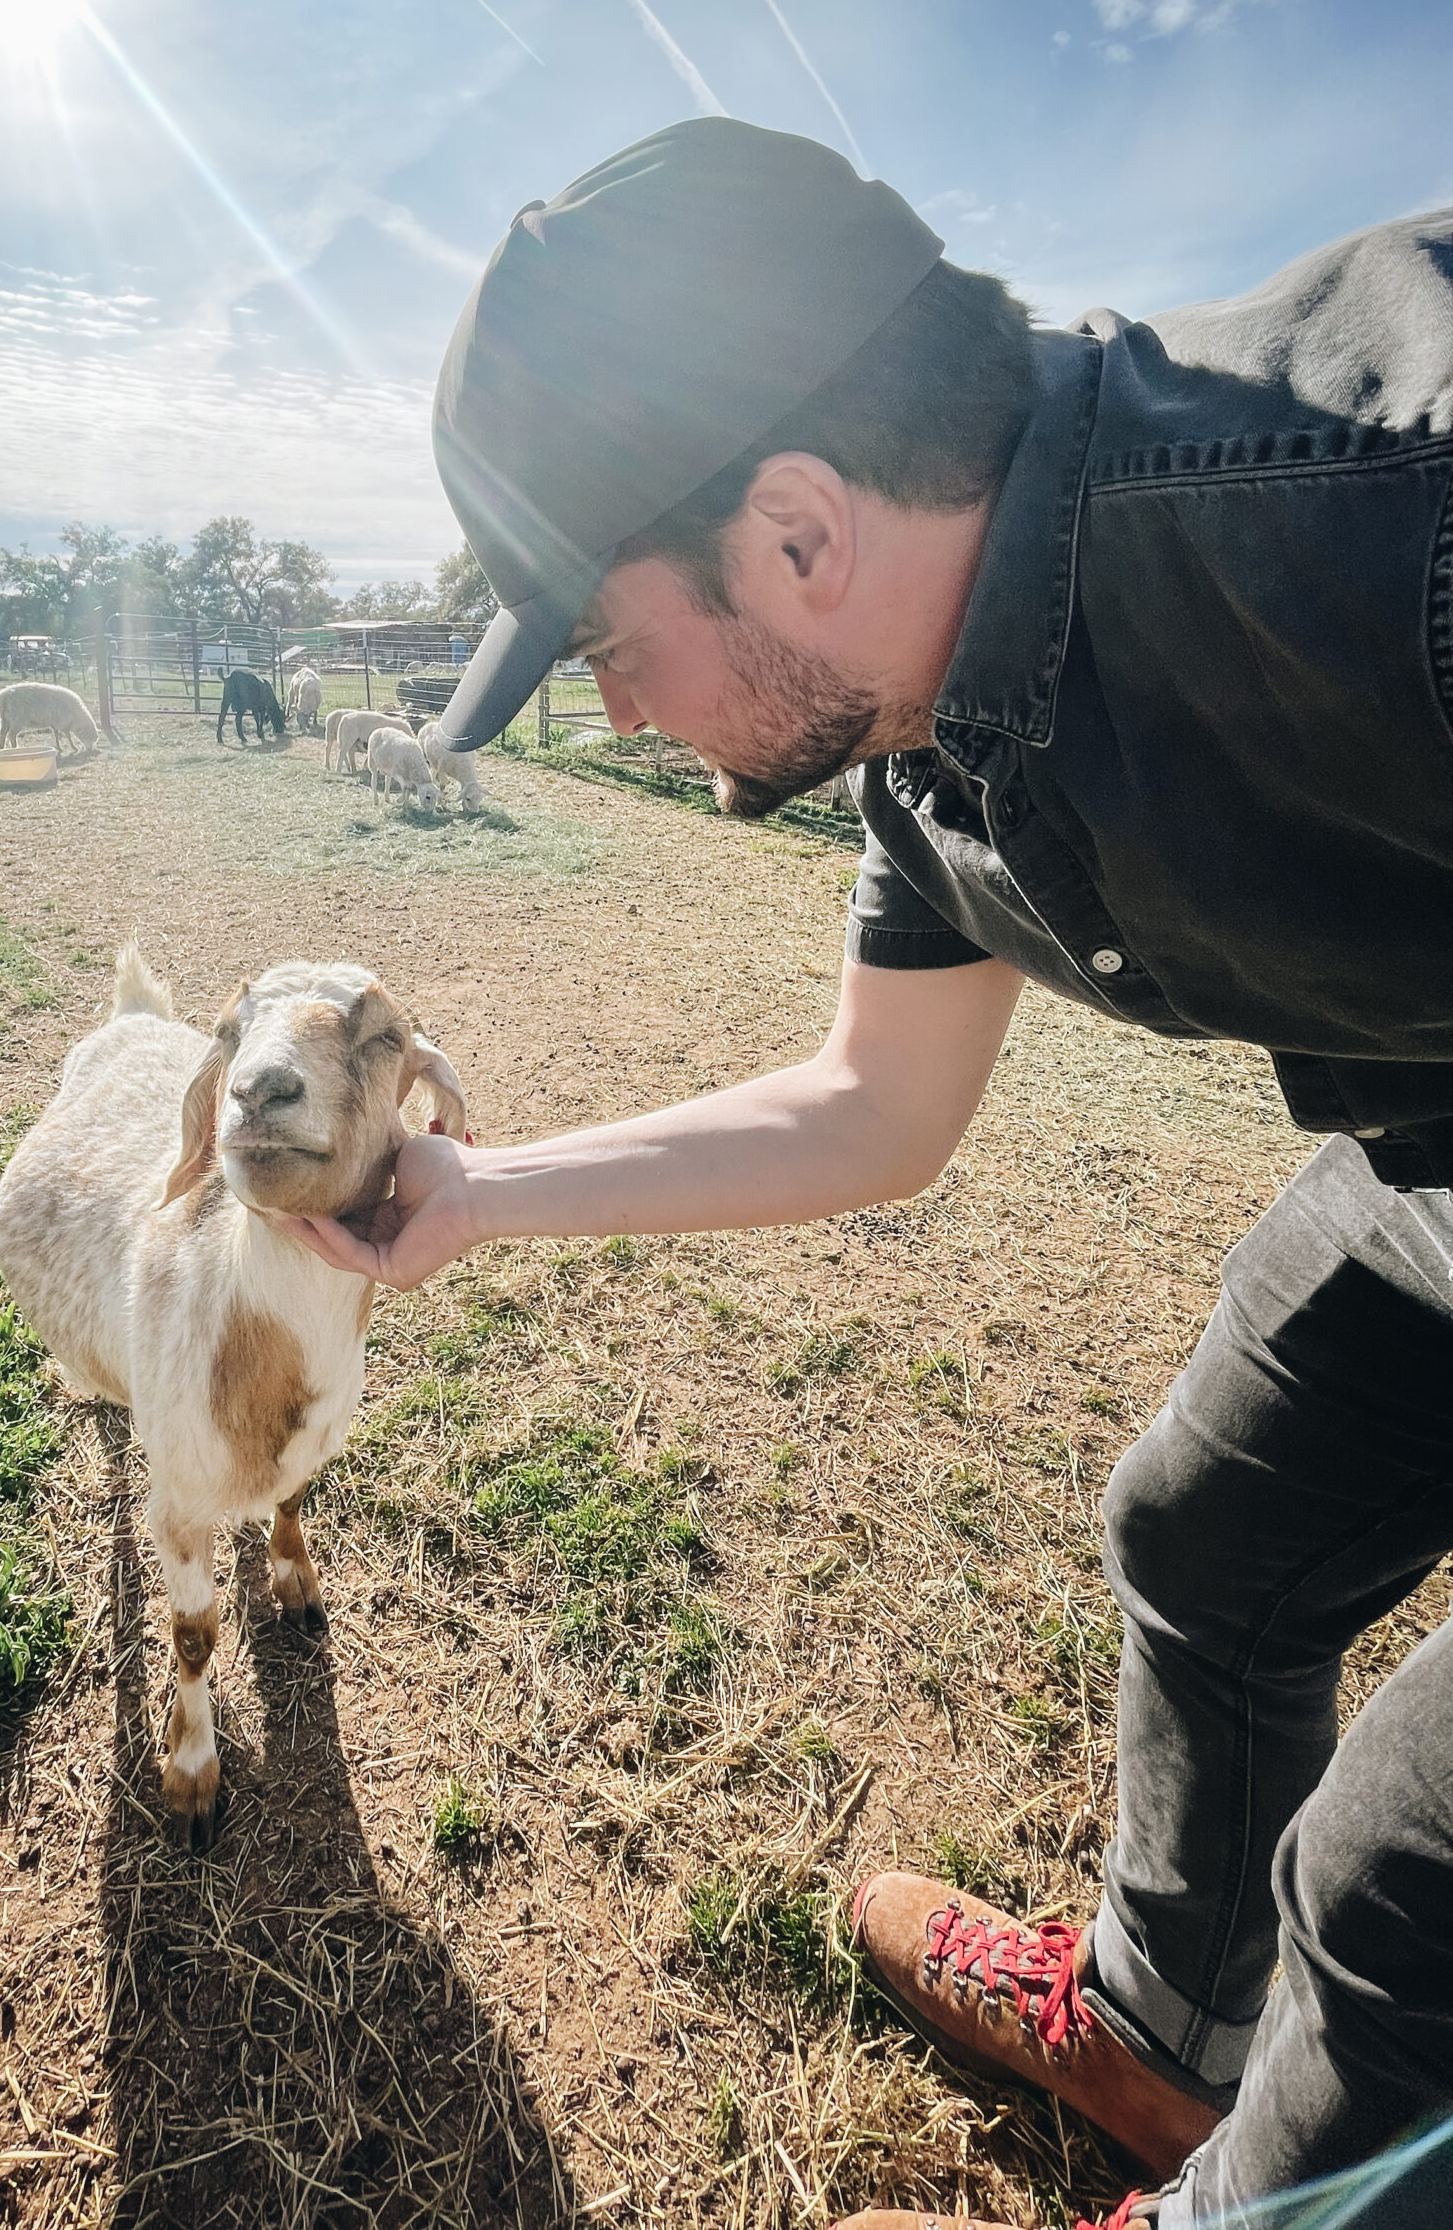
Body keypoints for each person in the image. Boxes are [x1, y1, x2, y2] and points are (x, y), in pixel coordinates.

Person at [288, 118, 1453, 2228]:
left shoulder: (1394, 515)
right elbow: (873, 1102)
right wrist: (472, 1195)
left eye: (612, 647)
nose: (624, 718)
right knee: (1210, 1532)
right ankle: (1168, 2036)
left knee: (1410, 1888)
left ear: (799, 530)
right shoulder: (920, 740)